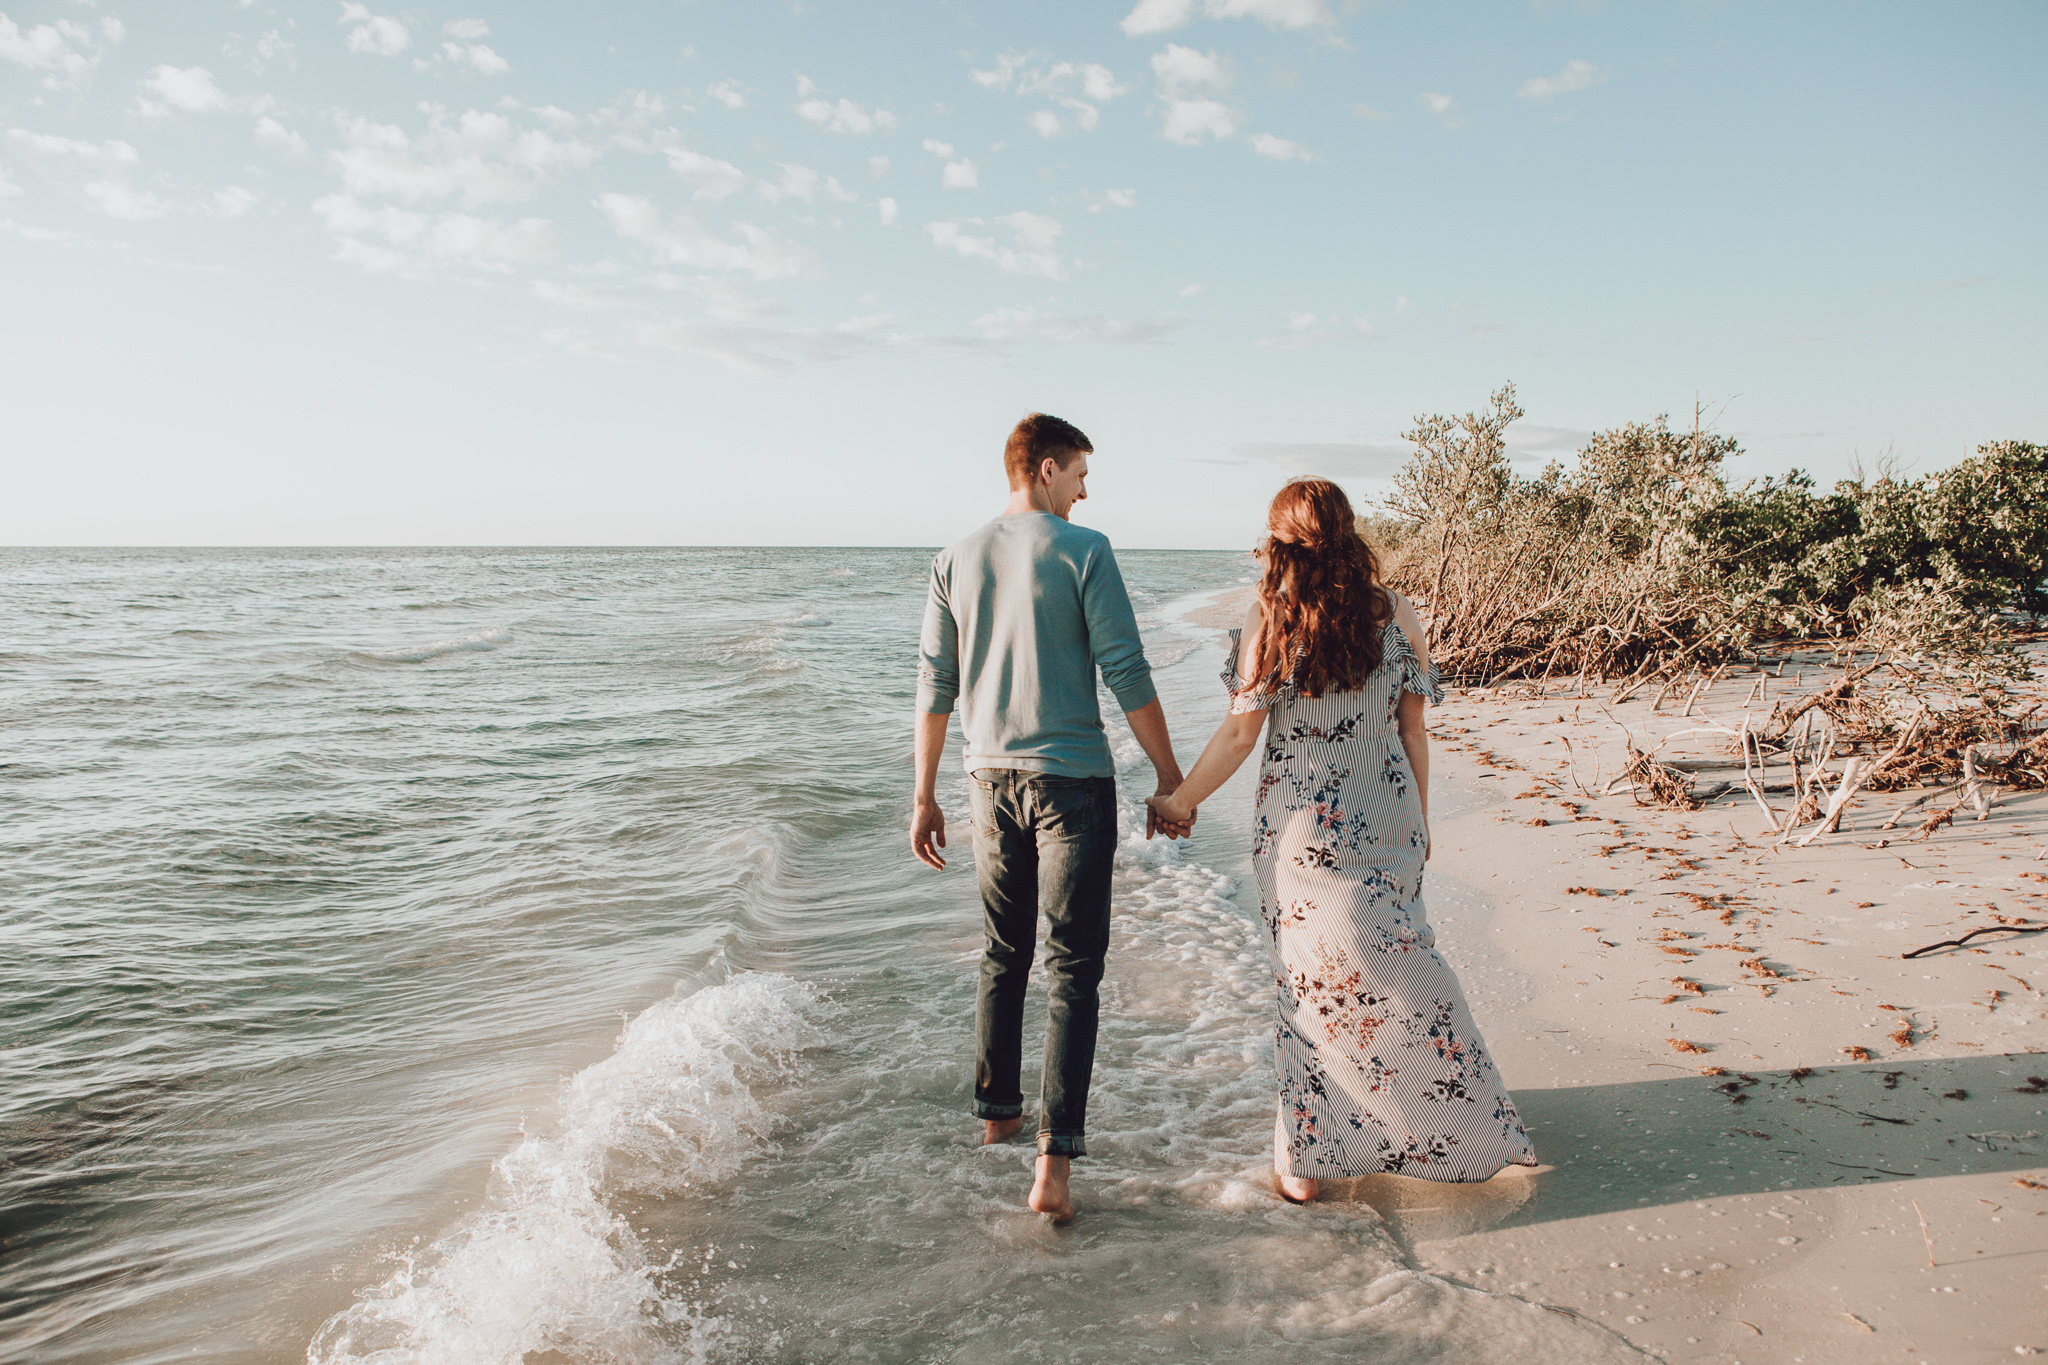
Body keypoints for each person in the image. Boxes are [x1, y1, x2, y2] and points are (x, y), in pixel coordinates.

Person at [1146, 477, 1537, 1203]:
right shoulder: (1398, 613)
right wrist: (1419, 822)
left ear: (1277, 541)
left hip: (1300, 831)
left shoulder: (1275, 618)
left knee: (1309, 988)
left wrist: (1178, 799)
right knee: (1403, 975)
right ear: (1351, 534)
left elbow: (1240, 732)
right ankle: (1371, 1137)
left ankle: (1309, 1156)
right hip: (1384, 814)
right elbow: (1413, 730)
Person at [910, 412, 1190, 1224]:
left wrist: (923, 792)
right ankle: (1054, 1167)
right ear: (1042, 468)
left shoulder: (951, 558)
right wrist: (1171, 776)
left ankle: (997, 1115)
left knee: (1003, 952)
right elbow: (1126, 670)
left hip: (985, 781)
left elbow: (934, 687)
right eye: (1077, 474)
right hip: (1070, 783)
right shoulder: (1086, 549)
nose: (1085, 489)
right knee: (1073, 970)